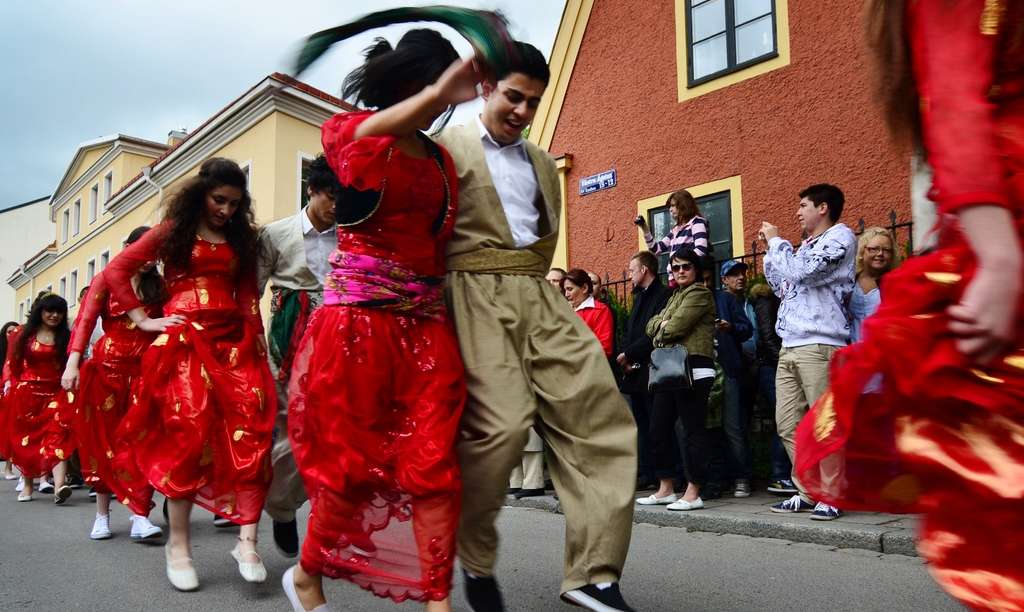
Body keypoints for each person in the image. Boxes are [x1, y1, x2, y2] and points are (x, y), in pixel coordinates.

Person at [795, 2, 1024, 608]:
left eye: (805, 206)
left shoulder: (831, 242)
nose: (801, 214)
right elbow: (953, 100)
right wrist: (1001, 257)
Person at [437, 41, 638, 612]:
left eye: (533, 101)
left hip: (538, 295)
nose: (522, 110)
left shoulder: (542, 163)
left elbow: (544, 239)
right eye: (513, 96)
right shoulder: (441, 151)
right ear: (485, 88)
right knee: (500, 430)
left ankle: (594, 575)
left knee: (603, 419)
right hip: (471, 293)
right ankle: (475, 560)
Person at [283, 29, 478, 612]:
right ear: (412, 83)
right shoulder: (348, 131)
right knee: (350, 471)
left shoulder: (442, 161)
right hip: (356, 332)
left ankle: (438, 601)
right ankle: (308, 575)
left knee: (433, 465)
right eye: (436, 89)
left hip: (426, 330)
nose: (444, 102)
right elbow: (371, 133)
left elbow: (440, 249)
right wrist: (442, 86)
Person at [103, 157, 276, 591]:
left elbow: (249, 298)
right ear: (201, 193)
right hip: (183, 344)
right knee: (188, 436)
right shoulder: (172, 232)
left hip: (234, 345)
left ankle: (247, 541)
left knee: (252, 434)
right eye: (220, 200)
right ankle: (178, 546)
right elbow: (116, 270)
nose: (227, 211)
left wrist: (256, 347)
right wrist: (144, 320)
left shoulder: (241, 238)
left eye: (236, 203)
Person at [55, 226, 165, 541]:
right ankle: (102, 515)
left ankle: (140, 515)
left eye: (153, 252)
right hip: (106, 372)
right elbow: (85, 322)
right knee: (104, 443)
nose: (148, 259)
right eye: (142, 249)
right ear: (128, 247)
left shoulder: (158, 285)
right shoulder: (105, 280)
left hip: (147, 370)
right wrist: (72, 365)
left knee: (142, 440)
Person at [256, 154, 338, 558]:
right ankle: (283, 508)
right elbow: (250, 290)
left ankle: (325, 516)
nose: (337, 205)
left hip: (338, 342)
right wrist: (252, 343)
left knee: (332, 431)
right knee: (290, 430)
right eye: (331, 196)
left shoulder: (351, 237)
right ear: (312, 190)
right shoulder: (275, 234)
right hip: (288, 341)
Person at [760, 183, 856, 521]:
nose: (798, 212)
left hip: (821, 344)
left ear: (823, 208)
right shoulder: (804, 247)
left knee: (823, 425)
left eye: (803, 205)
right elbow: (783, 287)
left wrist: (777, 243)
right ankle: (808, 490)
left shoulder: (840, 239)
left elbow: (805, 274)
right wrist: (771, 255)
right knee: (788, 424)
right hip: (790, 345)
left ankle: (831, 494)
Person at [637, 248, 716, 512]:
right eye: (676, 267)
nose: (680, 271)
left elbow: (674, 327)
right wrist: (662, 326)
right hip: (671, 369)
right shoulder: (674, 296)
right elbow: (652, 326)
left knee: (692, 430)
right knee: (658, 428)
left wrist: (663, 326)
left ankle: (694, 492)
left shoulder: (700, 294)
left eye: (686, 267)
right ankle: (666, 488)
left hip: (695, 368)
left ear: (696, 270)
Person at [3, 294, 70, 502]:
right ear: (40, 312)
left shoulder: (67, 336)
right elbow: (12, 363)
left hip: (57, 392)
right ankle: (28, 486)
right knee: (27, 441)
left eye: (59, 312)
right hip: (27, 394)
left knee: (58, 435)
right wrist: (12, 385)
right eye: (50, 311)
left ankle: (60, 486)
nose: (54, 315)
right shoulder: (23, 334)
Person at [617, 251, 671, 491]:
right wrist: (625, 356)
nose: (629, 275)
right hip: (634, 371)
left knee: (658, 424)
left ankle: (665, 475)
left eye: (631, 270)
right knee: (640, 424)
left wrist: (629, 354)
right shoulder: (638, 296)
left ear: (644, 270)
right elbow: (631, 331)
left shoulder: (663, 295)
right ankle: (647, 472)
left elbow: (654, 333)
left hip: (653, 368)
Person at [748, 282, 795, 495]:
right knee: (785, 417)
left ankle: (787, 473)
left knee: (789, 417)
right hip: (772, 365)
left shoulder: (791, 293)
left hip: (782, 362)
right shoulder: (766, 298)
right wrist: (786, 360)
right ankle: (779, 475)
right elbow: (767, 337)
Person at [714, 260, 754, 498]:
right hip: (706, 369)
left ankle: (742, 477)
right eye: (734, 274)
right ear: (724, 279)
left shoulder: (727, 300)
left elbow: (746, 329)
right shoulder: (709, 297)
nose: (740, 277)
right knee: (710, 428)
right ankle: (720, 477)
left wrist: (731, 328)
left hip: (729, 368)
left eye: (742, 274)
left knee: (733, 426)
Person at [636, 189, 711, 273]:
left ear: (684, 205)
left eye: (673, 205)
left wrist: (680, 265)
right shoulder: (675, 230)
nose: (670, 209)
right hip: (674, 277)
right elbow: (656, 249)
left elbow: (701, 250)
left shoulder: (696, 223)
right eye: (670, 207)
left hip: (686, 275)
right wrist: (644, 228)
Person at [849, 227, 898, 342]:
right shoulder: (850, 281)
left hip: (882, 352)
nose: (880, 253)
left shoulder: (895, 284)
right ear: (862, 252)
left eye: (886, 250)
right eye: (874, 249)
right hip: (852, 352)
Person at [562, 268, 614, 357]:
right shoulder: (564, 310)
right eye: (565, 290)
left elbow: (604, 348)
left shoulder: (600, 310)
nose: (566, 294)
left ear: (584, 288)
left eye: (570, 289)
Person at [0, 321, 21, 480]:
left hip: (16, 393)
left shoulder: (22, 350)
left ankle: (10, 468)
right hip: (3, 393)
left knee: (13, 431)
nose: (13, 334)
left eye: (15, 330)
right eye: (9, 331)